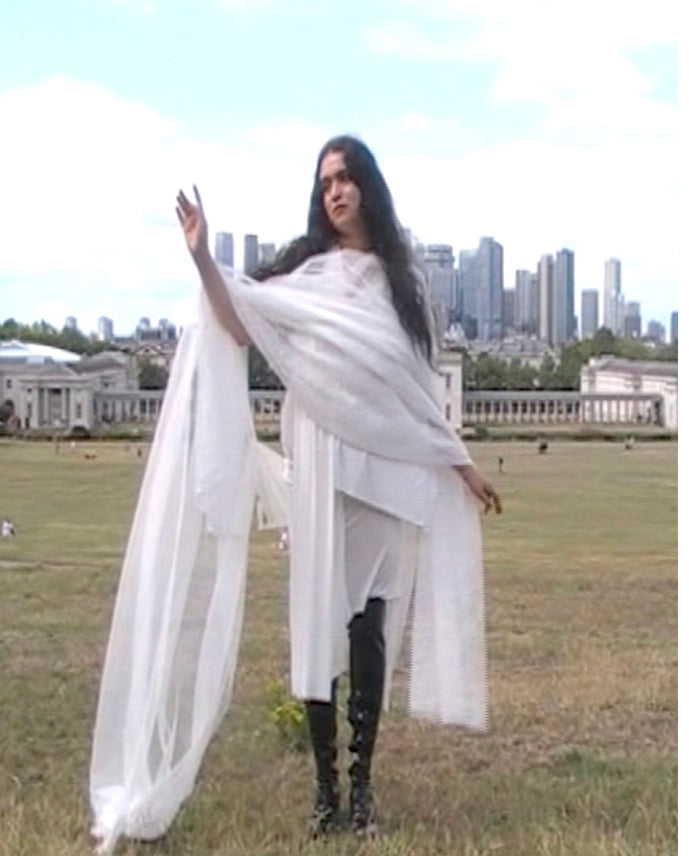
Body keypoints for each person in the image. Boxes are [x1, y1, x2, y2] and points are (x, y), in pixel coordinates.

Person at [90, 135, 500, 853]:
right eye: (325, 183)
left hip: (387, 463)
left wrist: (457, 460)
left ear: (368, 185)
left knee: (370, 619)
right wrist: (200, 257)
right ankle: (324, 791)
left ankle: (363, 783)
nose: (335, 192)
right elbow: (236, 319)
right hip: (320, 453)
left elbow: (416, 390)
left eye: (345, 178)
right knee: (317, 617)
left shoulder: (404, 284)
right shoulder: (303, 272)